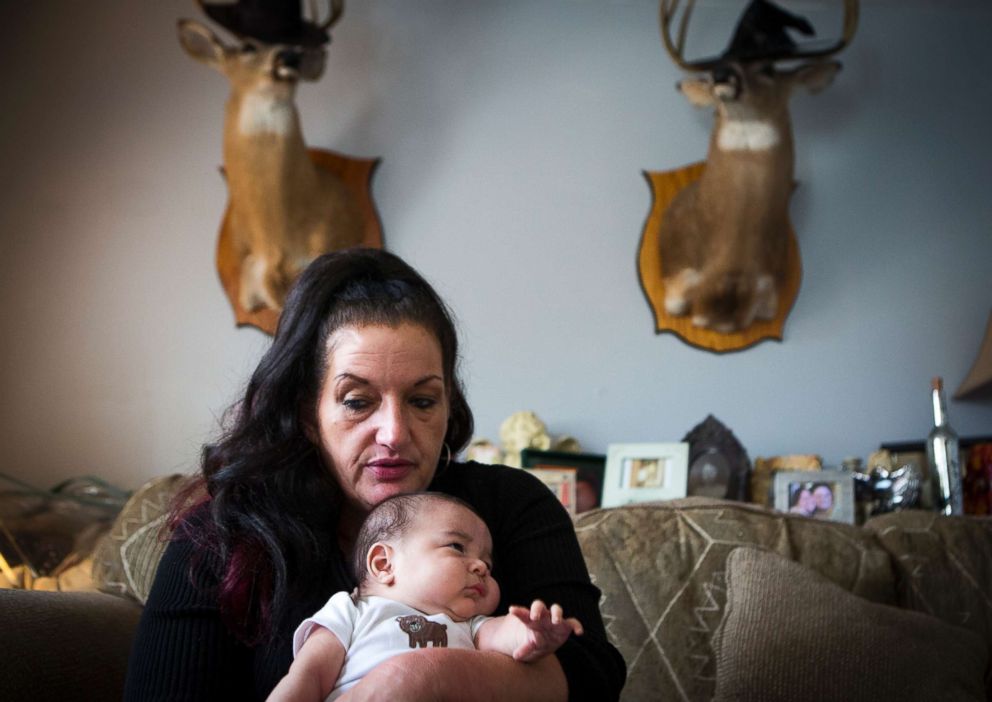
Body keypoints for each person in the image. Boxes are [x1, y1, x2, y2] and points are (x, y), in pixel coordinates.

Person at [124, 247, 626, 701]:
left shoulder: (509, 505)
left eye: (423, 400)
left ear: (449, 407)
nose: (394, 433)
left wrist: (420, 679)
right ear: (307, 412)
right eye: (358, 401)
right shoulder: (224, 533)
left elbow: (591, 675)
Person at [268, 492, 584, 701]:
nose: (481, 567)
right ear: (383, 564)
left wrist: (533, 634)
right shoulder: (350, 610)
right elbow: (308, 676)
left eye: (488, 564)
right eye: (457, 547)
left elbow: (504, 634)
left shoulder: (471, 626)